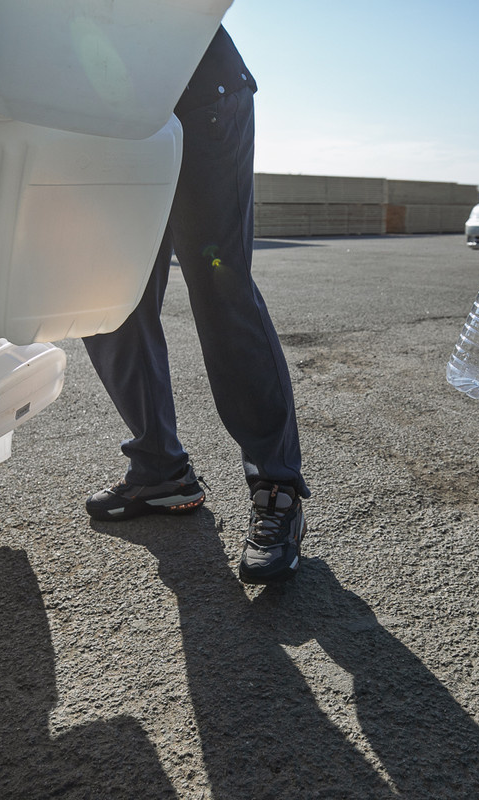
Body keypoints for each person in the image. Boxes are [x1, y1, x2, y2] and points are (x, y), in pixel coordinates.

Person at [80, 28, 309, 586]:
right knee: (109, 297)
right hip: (106, 126)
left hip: (198, 95)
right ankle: (161, 471)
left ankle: (275, 488)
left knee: (219, 285)